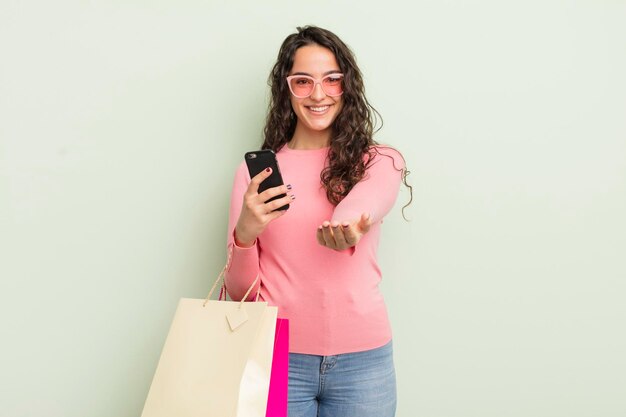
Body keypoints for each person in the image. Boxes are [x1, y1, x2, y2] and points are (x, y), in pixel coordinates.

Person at [224, 25, 411, 417]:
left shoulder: (379, 161)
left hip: (364, 363)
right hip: (276, 360)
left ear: (348, 86)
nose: (319, 94)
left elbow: (366, 202)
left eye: (332, 80)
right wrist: (245, 234)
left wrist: (344, 228)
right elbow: (241, 292)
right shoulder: (256, 172)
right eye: (303, 81)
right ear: (286, 89)